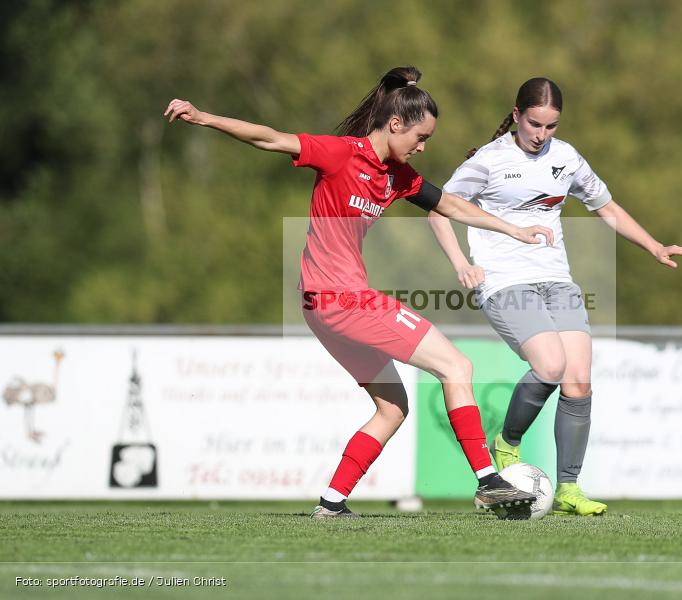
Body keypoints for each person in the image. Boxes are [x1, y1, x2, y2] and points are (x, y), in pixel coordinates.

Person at [164, 66, 553, 519]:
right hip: (340, 299)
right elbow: (270, 137)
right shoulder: (340, 154)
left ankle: (331, 504)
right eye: (420, 137)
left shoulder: (397, 175)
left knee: (392, 408)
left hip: (318, 306)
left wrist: (513, 230)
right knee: (457, 365)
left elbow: (449, 204)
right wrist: (205, 117)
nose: (423, 147)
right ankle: (489, 480)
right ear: (395, 124)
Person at [428, 77, 682, 516]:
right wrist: (461, 262)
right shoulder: (489, 160)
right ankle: (507, 443)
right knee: (550, 366)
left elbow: (605, 207)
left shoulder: (566, 158)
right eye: (534, 124)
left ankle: (569, 489)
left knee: (578, 380)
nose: (541, 135)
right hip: (503, 280)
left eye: (551, 126)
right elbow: (440, 210)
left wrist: (653, 245)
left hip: (557, 280)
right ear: (516, 116)